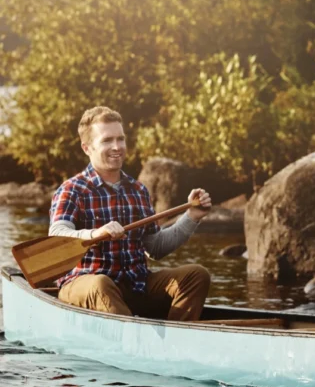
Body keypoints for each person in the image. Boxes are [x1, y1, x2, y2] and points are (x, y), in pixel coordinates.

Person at [49, 106, 212, 322]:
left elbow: (155, 248)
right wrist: (95, 234)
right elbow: (58, 234)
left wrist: (192, 217)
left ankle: (176, 339)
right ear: (87, 148)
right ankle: (136, 344)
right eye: (107, 140)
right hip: (83, 284)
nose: (117, 147)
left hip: (135, 286)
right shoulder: (72, 190)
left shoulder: (137, 190)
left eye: (120, 139)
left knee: (197, 274)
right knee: (100, 283)